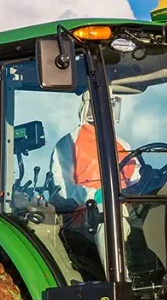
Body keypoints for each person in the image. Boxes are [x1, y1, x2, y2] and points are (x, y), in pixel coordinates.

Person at [48, 91, 140, 267]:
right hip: (84, 213)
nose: (108, 110)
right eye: (104, 104)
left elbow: (135, 177)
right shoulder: (69, 143)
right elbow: (63, 187)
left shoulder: (122, 144)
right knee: (110, 223)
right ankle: (120, 282)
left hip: (124, 205)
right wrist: (94, 195)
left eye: (112, 105)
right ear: (89, 106)